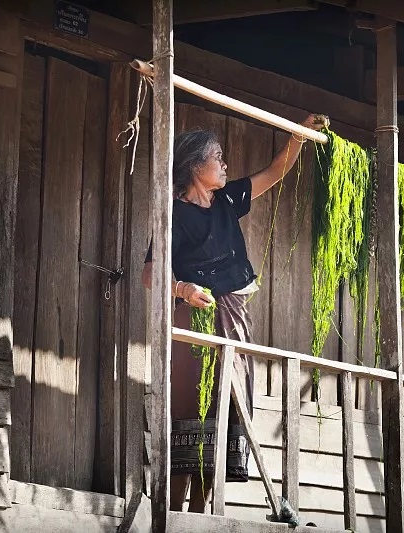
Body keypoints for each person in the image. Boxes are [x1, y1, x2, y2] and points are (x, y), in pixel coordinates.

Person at [141, 113, 329, 512]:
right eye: (218, 157)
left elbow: (277, 171)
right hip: (195, 321)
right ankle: (173, 512)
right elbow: (148, 273)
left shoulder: (227, 200)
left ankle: (201, 510)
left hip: (234, 317)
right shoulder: (174, 213)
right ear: (195, 167)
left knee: (224, 405)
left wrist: (300, 133)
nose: (225, 165)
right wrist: (182, 288)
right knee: (190, 408)